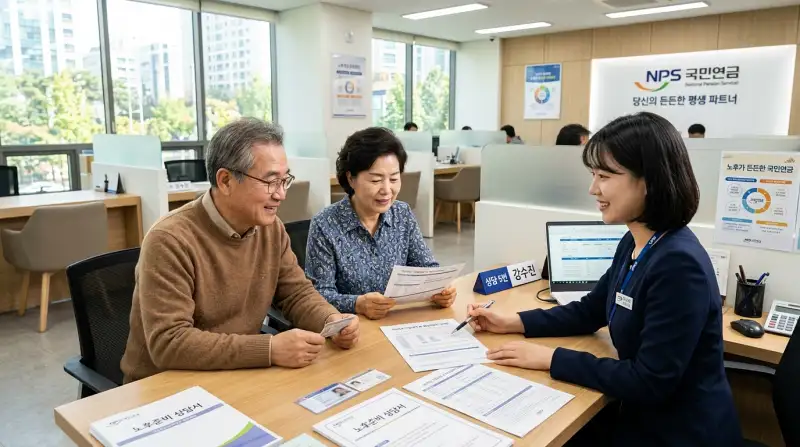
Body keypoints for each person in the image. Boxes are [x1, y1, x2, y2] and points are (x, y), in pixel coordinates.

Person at [467, 112, 741, 446]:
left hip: (680, 433)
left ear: (650, 181)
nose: (593, 188)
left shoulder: (679, 265)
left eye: (605, 176)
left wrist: (551, 358)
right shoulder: (635, 241)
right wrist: (511, 322)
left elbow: (650, 381)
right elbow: (590, 311)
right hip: (643, 418)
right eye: (593, 175)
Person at [120, 118, 360, 383]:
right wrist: (269, 349)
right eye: (271, 181)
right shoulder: (169, 239)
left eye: (284, 180)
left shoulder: (270, 229)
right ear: (225, 181)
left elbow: (296, 294)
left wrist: (331, 320)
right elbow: (169, 342)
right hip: (166, 385)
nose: (281, 194)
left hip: (236, 372)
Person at [305, 127, 456, 320]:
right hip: (353, 327)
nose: (387, 190)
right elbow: (318, 295)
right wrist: (357, 304)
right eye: (376, 180)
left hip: (400, 321)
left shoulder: (402, 214)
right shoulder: (325, 224)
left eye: (394, 179)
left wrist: (441, 288)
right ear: (351, 179)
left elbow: (426, 266)